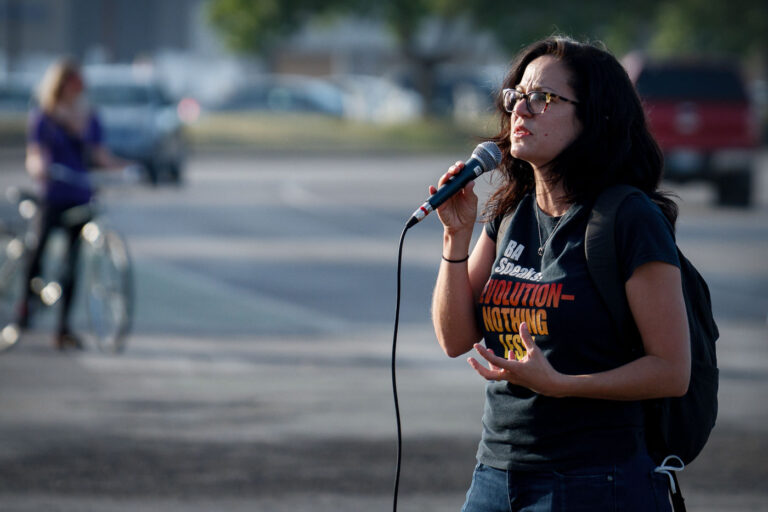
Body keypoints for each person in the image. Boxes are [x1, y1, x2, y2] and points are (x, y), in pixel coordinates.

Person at [430, 36, 690, 511]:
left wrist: (563, 384)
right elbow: (454, 339)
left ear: (594, 117)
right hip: (496, 472)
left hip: (596, 478)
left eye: (543, 98)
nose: (520, 111)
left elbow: (672, 372)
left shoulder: (629, 219)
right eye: (516, 96)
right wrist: (456, 239)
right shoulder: (510, 213)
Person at [18, 58, 131, 349]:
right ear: (61, 83)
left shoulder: (89, 117)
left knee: (72, 264)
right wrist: (39, 168)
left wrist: (127, 169)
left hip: (80, 195)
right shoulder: (45, 116)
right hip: (53, 193)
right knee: (38, 248)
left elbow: (99, 156)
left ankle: (63, 328)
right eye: (73, 81)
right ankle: (24, 307)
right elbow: (36, 153)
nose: (78, 87)